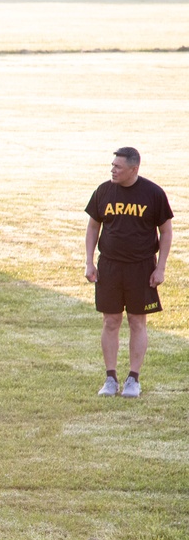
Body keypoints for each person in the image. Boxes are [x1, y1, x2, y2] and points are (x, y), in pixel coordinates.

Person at [85, 147, 173, 398]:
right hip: (109, 267)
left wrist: (160, 267)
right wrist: (89, 262)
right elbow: (93, 227)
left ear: (134, 169)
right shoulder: (103, 191)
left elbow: (166, 231)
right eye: (112, 165)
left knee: (137, 321)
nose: (112, 170)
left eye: (118, 167)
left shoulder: (153, 193)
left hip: (141, 268)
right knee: (110, 321)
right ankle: (110, 378)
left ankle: (133, 378)